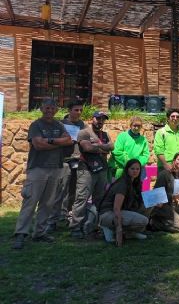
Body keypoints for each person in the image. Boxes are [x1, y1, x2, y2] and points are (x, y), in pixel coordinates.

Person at [12, 98, 73, 249]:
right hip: (37, 168)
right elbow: (38, 144)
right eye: (47, 108)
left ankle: (39, 233)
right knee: (30, 201)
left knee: (48, 203)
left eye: (52, 109)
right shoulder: (36, 125)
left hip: (55, 168)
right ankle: (21, 234)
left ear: (56, 110)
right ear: (41, 109)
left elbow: (68, 140)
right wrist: (57, 142)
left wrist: (50, 141)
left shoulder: (59, 124)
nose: (49, 111)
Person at [69, 110, 113, 239]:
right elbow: (87, 148)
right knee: (82, 198)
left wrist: (98, 146)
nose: (100, 121)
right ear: (92, 118)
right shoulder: (84, 132)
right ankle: (76, 227)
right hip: (86, 169)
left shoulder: (105, 134)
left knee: (99, 199)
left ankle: (93, 226)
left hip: (102, 169)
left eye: (103, 119)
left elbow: (112, 146)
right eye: (98, 118)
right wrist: (102, 147)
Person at [47, 99, 85, 233]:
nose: (79, 112)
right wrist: (66, 140)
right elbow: (54, 142)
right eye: (76, 110)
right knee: (60, 192)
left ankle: (69, 218)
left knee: (74, 193)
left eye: (81, 110)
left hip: (78, 162)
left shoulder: (82, 125)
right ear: (69, 110)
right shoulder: (61, 124)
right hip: (64, 161)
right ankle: (52, 221)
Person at [98, 159, 149, 246]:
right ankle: (109, 227)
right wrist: (119, 229)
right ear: (127, 170)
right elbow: (116, 208)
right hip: (108, 213)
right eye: (132, 169)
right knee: (144, 221)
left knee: (149, 205)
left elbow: (140, 201)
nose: (135, 171)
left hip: (122, 210)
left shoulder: (136, 183)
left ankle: (129, 233)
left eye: (137, 169)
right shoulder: (123, 184)